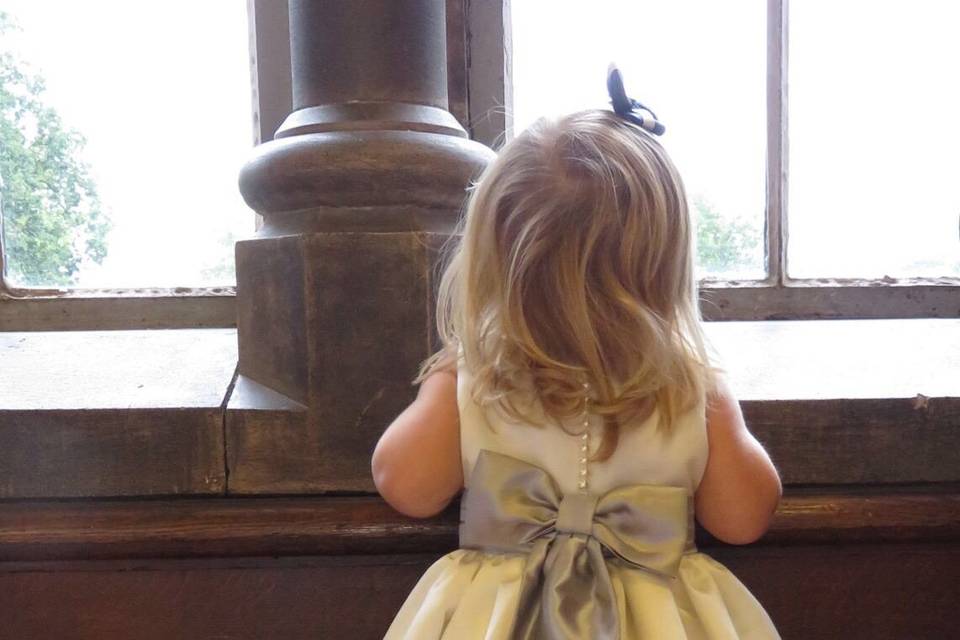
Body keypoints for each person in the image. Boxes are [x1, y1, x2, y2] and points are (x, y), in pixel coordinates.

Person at [372, 67, 783, 639]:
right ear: (663, 267)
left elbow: (405, 485)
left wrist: (445, 381)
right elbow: (743, 519)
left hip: (495, 617)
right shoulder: (694, 388)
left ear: (495, 258)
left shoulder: (473, 376)